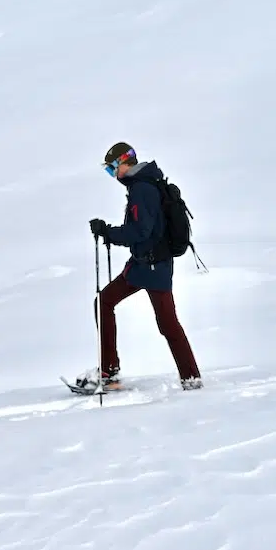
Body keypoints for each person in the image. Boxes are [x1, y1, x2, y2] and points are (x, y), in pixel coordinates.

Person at [87, 142, 203, 391]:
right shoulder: (145, 183)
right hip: (142, 264)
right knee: (104, 302)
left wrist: (108, 232)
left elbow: (139, 231)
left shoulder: (142, 188)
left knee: (168, 324)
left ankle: (191, 378)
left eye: (111, 169)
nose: (112, 175)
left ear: (123, 163)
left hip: (154, 267)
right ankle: (109, 370)